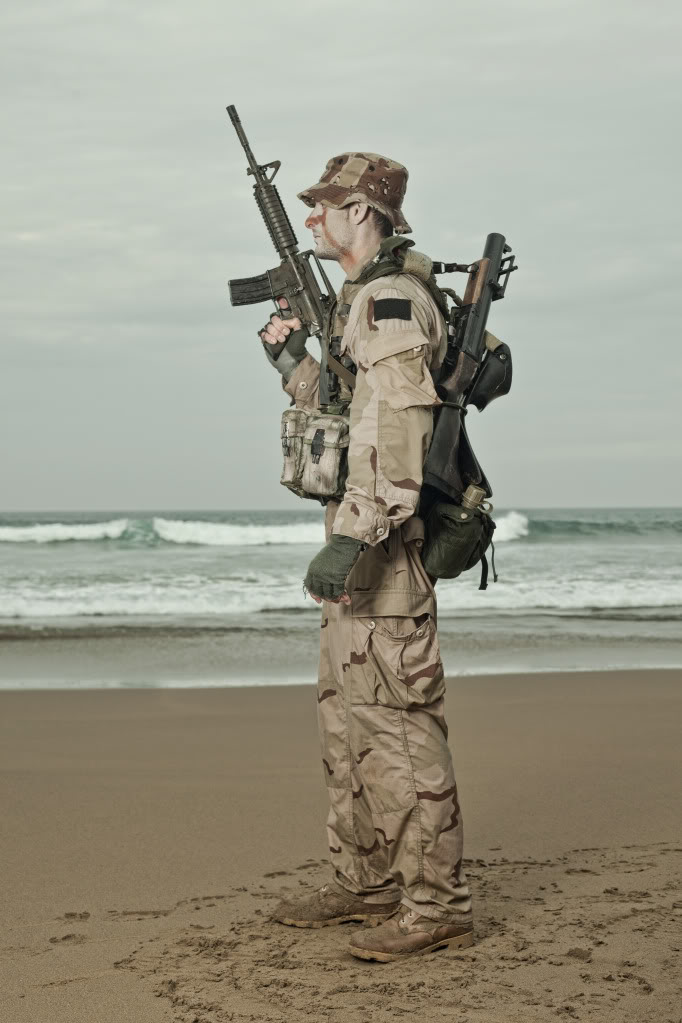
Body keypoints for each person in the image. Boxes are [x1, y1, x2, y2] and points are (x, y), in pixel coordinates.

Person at [259, 153, 473, 962]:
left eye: (324, 207)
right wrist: (295, 370)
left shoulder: (388, 303)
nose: (313, 219)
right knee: (347, 723)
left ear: (363, 213)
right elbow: (351, 413)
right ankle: (366, 879)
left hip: (381, 553)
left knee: (398, 728)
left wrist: (358, 535)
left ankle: (437, 902)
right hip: (357, 553)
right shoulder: (360, 303)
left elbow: (393, 435)